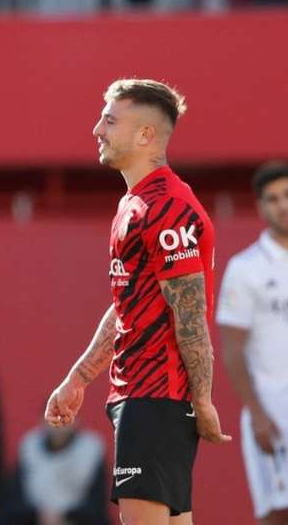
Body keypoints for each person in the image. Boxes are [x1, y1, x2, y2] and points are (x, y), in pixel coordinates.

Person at [44, 79, 231, 525]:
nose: (97, 130)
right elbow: (127, 303)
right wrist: (79, 376)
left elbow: (189, 313)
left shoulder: (167, 206)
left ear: (146, 135)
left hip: (156, 397)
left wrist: (202, 400)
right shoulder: (135, 204)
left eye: (109, 120)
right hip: (141, 396)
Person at [217, 162, 288, 524]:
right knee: (277, 511)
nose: (283, 206)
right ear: (261, 207)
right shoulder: (246, 268)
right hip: (272, 409)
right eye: (273, 199)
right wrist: (257, 413)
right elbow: (232, 348)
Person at [4, 416, 109, 525]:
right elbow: (15, 501)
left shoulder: (91, 449)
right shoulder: (29, 447)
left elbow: (97, 504)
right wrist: (40, 515)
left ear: (77, 420)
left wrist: (65, 515)